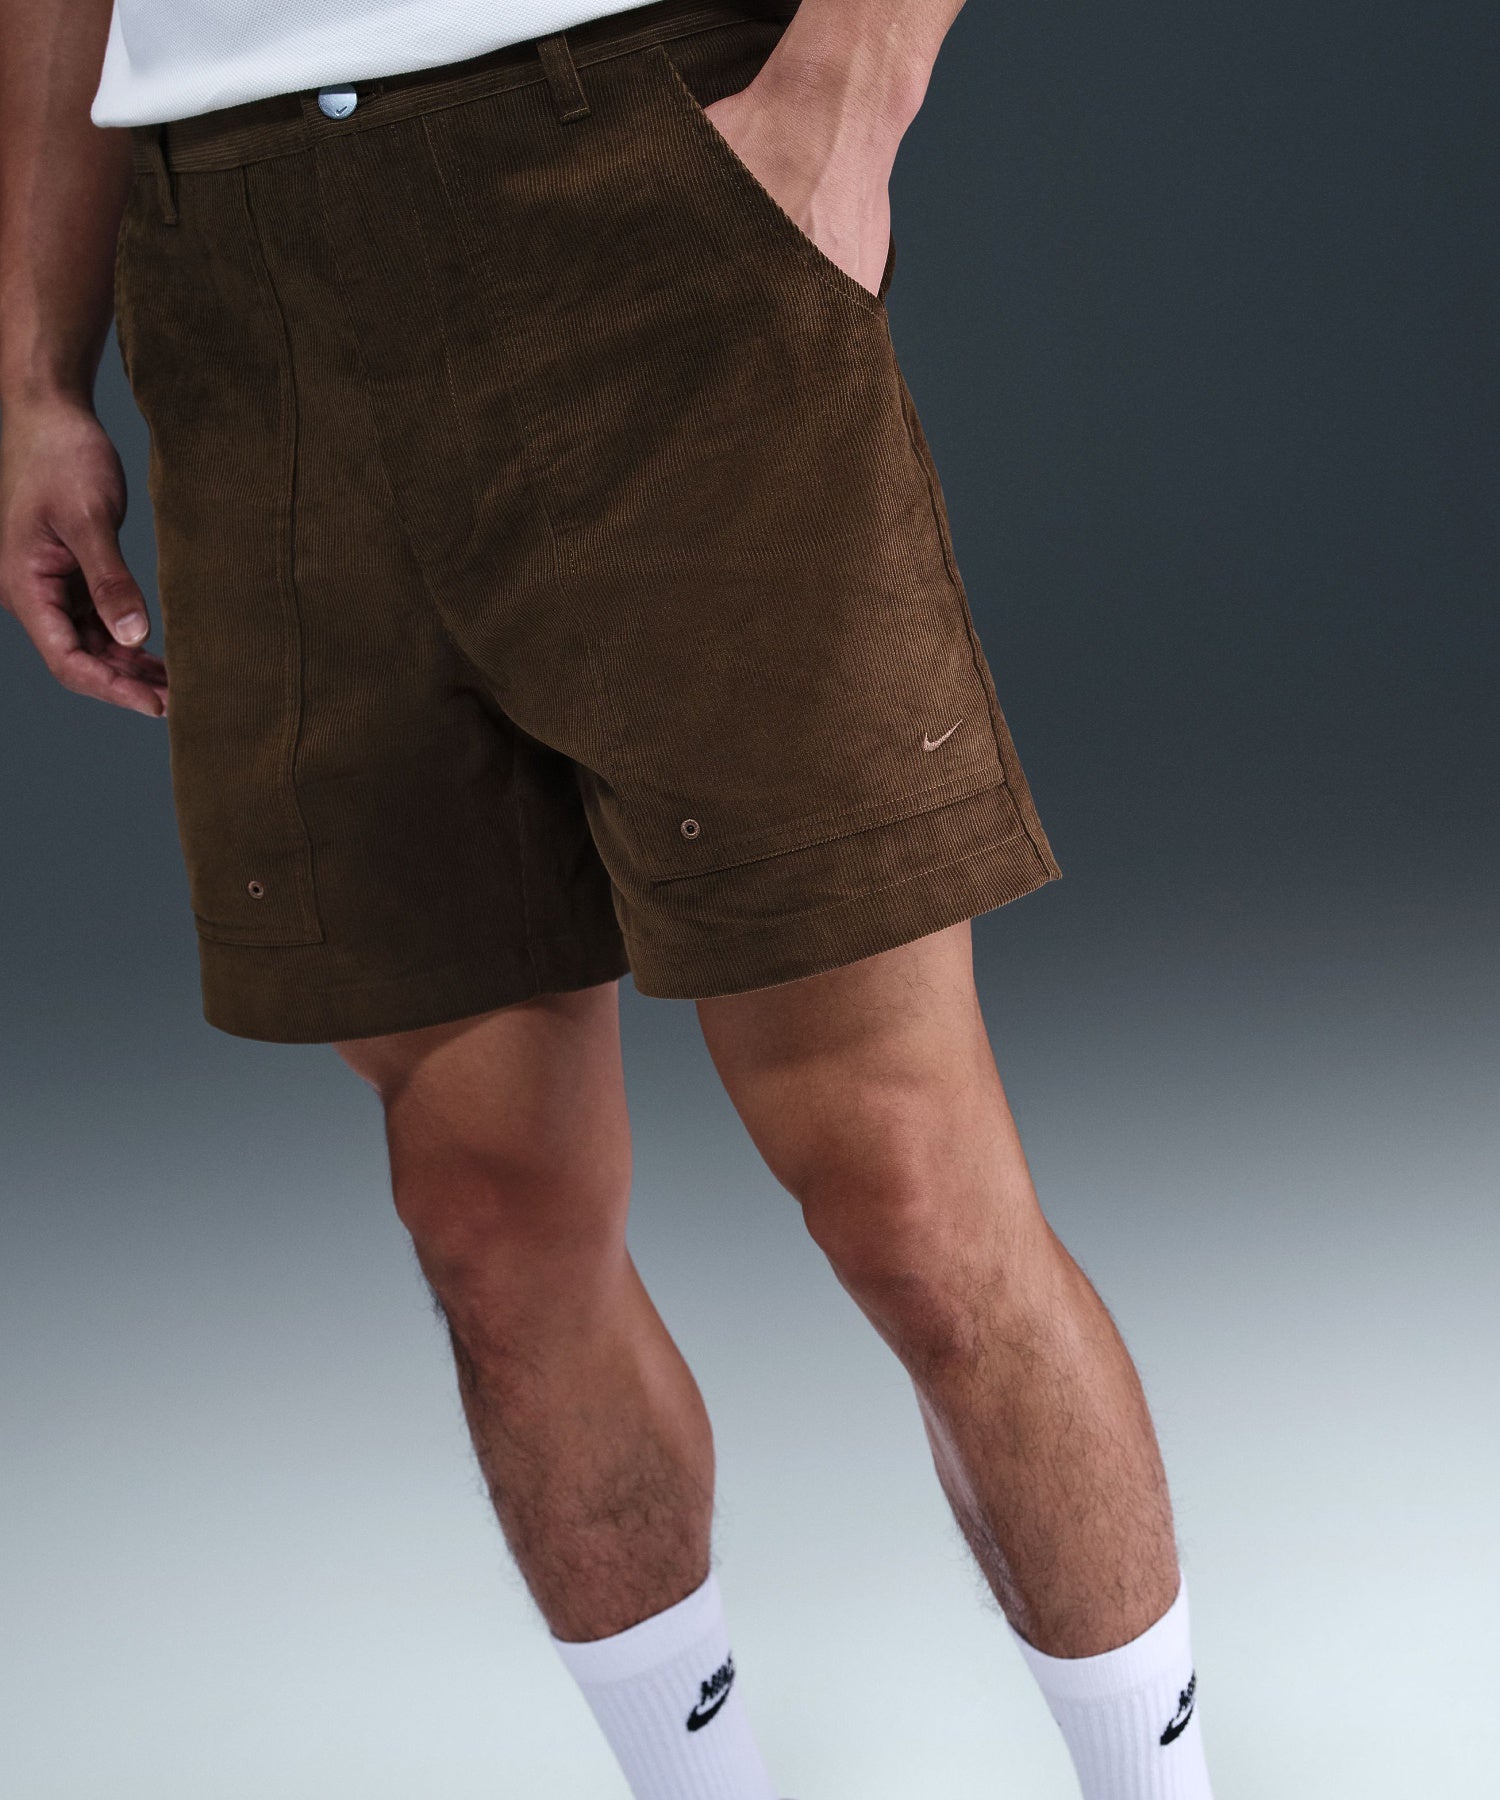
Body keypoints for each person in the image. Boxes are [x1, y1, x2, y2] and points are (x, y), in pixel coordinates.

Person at [0, 0, 1215, 1794]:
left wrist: (848, 87)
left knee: (907, 1188)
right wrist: (33, 369)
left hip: (629, 182)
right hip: (244, 284)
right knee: (484, 1213)